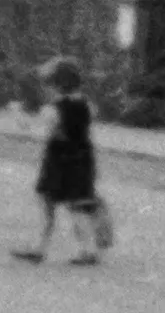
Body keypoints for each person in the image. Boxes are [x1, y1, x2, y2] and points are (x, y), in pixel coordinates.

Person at [16, 55, 112, 265]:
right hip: (83, 159)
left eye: (49, 84)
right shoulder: (87, 105)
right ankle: (88, 250)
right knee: (78, 206)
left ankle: (39, 247)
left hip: (58, 162)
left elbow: (40, 127)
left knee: (46, 202)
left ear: (57, 85)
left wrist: (19, 114)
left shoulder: (54, 109)